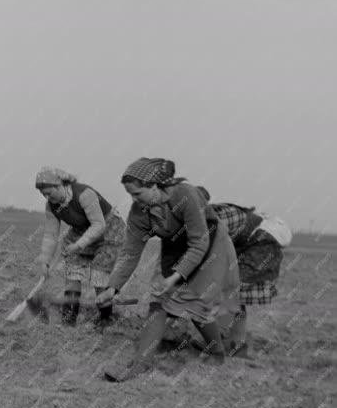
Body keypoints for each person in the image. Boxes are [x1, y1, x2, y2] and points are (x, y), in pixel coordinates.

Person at [98, 158, 240, 382]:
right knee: (159, 300)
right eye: (130, 195)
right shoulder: (139, 212)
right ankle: (139, 364)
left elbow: (199, 243)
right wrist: (112, 288)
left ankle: (216, 351)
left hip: (210, 243)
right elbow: (130, 252)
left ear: (155, 186)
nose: (134, 200)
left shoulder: (185, 194)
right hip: (174, 246)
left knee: (195, 301)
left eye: (137, 193)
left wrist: (175, 277)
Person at [35, 167, 126, 329]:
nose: (47, 197)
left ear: (59, 185)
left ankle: (106, 319)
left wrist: (78, 245)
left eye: (49, 193)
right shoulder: (51, 206)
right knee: (72, 272)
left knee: (99, 273)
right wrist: (45, 260)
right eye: (43, 194)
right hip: (81, 231)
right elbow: (50, 234)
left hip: (109, 230)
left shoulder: (84, 194)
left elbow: (98, 225)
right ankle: (69, 320)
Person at [210, 201, 285, 357]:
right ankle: (235, 345)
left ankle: (222, 341)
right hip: (247, 247)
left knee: (231, 290)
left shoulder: (218, 218)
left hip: (260, 249)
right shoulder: (211, 216)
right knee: (234, 295)